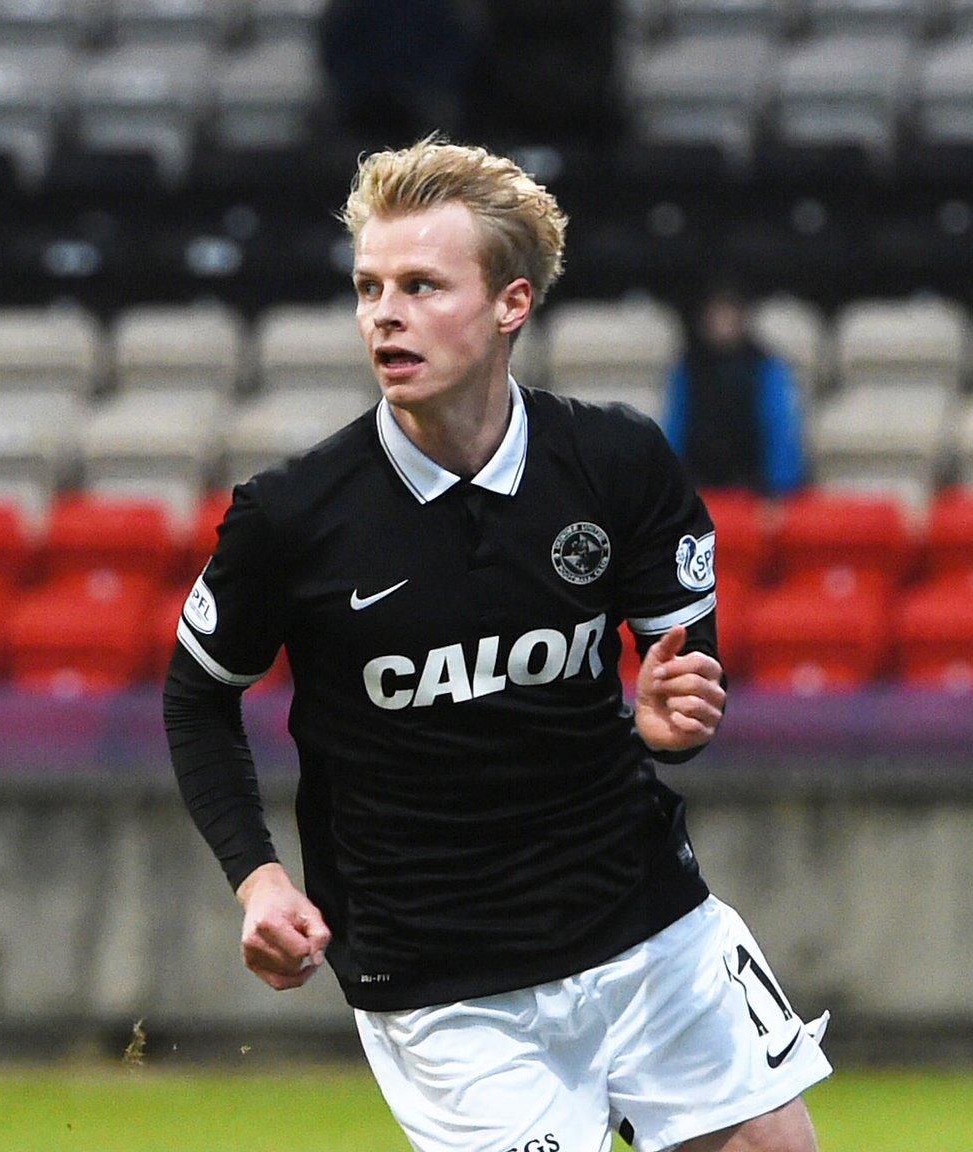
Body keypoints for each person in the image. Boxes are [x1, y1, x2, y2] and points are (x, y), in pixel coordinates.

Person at [163, 137, 831, 1152]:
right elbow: (195, 696)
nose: (382, 313)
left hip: (643, 923)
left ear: (509, 304)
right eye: (368, 287)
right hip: (439, 977)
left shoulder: (616, 465)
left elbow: (681, 688)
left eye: (421, 285)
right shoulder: (290, 516)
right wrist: (255, 877)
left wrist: (670, 721)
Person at [662, 285, 807, 497]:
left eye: (729, 317)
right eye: (717, 317)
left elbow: (778, 427)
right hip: (701, 487)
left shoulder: (764, 365)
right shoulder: (689, 368)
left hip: (753, 489)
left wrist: (778, 488)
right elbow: (677, 426)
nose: (723, 325)